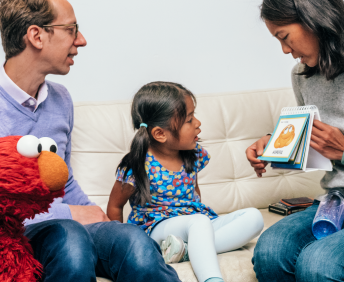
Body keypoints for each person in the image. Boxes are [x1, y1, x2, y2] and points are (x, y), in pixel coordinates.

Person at [0, 0, 181, 281]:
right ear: (36, 36)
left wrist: (96, 216)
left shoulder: (61, 99)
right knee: (71, 239)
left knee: (131, 239)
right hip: (12, 237)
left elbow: (63, 180)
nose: (81, 40)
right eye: (72, 29)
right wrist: (71, 213)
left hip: (64, 227)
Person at [107, 81, 264, 282]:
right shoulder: (137, 165)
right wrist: (121, 247)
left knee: (253, 217)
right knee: (199, 222)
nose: (198, 123)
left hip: (194, 223)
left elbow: (195, 195)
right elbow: (115, 205)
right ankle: (212, 279)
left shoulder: (192, 155)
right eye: (189, 120)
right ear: (160, 133)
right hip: (155, 228)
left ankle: (187, 251)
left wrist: (200, 225)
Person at [245, 0, 344, 281]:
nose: (285, 50)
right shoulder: (303, 75)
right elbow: (312, 146)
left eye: (284, 36)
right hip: (336, 200)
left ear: (314, 19)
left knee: (319, 265)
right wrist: (275, 145)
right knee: (270, 252)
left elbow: (339, 150)